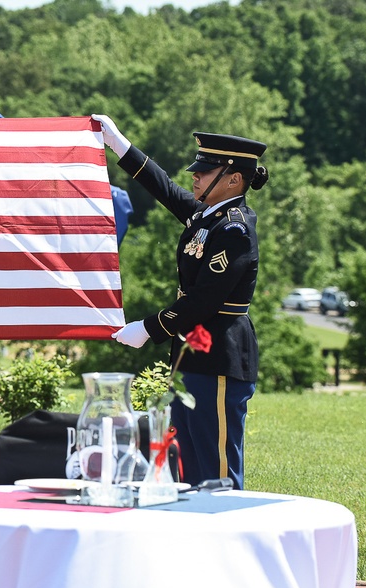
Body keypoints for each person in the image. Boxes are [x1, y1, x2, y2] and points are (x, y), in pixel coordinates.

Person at [94, 114, 269, 490]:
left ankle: (227, 540)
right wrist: (119, 145)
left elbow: (205, 299)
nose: (195, 176)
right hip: (192, 358)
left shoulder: (234, 229)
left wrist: (148, 327)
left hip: (220, 357)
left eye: (206, 172)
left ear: (234, 179)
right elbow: (165, 188)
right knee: (184, 468)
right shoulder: (207, 216)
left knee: (217, 472)